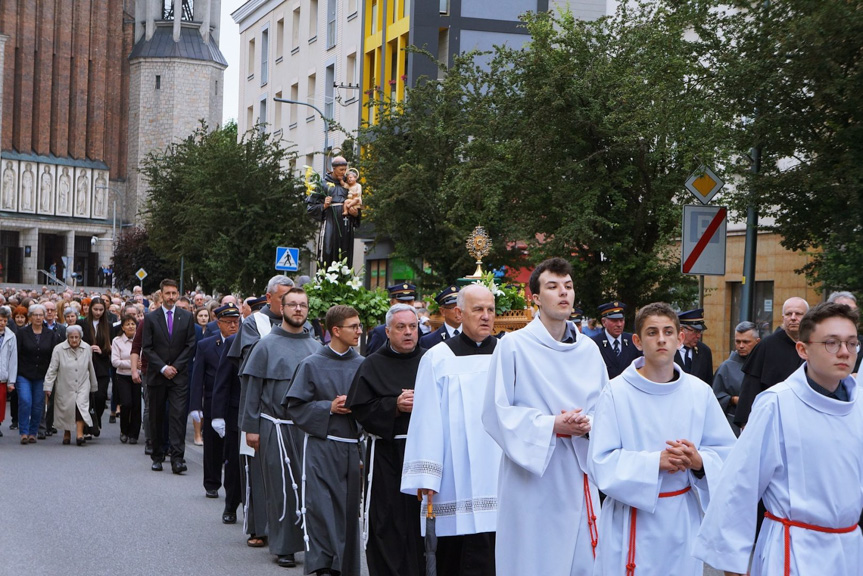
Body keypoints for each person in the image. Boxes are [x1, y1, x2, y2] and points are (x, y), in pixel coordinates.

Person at [694, 302, 862, 576]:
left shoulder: (859, 406)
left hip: (849, 551)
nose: (844, 352)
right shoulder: (777, 404)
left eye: (852, 343)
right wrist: (732, 563)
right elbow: (740, 484)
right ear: (802, 349)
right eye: (831, 343)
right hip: (794, 550)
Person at [588, 302, 736, 576]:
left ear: (680, 339)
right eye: (652, 332)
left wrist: (699, 461)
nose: (661, 339)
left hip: (682, 517)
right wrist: (655, 461)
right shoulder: (616, 392)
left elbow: (729, 455)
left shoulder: (699, 392)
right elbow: (600, 462)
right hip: (632, 520)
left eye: (668, 332)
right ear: (637, 341)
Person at [483, 258, 608, 576]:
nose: (563, 293)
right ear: (536, 298)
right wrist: (552, 425)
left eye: (568, 286)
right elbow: (496, 413)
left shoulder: (589, 350)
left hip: (577, 470)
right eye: (553, 287)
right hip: (532, 476)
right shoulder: (513, 346)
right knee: (533, 558)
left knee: (582, 559)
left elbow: (607, 410)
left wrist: (587, 425)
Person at [401, 284, 502, 576]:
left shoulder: (507, 354)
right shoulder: (438, 358)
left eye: (490, 310)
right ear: (459, 313)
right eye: (478, 310)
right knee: (456, 552)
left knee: (498, 547)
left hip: (500, 471)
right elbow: (426, 419)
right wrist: (426, 474)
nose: (485, 316)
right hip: (455, 475)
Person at [241, 289, 320, 568]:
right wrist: (251, 428)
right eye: (292, 305)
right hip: (274, 426)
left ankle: (313, 545)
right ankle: (284, 546)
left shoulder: (316, 347)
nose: (298, 309)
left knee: (310, 487)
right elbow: (252, 391)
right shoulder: (266, 345)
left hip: (308, 429)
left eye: (303, 305)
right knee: (281, 486)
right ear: (281, 308)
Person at [284, 305, 365, 576]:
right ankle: (324, 566)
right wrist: (328, 408)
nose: (359, 331)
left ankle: (345, 566)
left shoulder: (363, 364)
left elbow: (373, 406)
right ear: (336, 331)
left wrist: (360, 409)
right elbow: (295, 407)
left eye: (359, 325)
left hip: (353, 448)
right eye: (353, 326)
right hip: (322, 447)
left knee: (348, 511)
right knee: (321, 509)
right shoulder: (311, 364)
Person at [347, 304, 426, 576]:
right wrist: (394, 406)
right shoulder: (373, 364)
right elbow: (360, 408)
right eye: (401, 327)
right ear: (388, 331)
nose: (408, 333)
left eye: (413, 327)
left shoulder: (432, 360)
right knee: (387, 522)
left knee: (422, 522)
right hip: (387, 455)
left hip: (424, 453)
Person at [227, 274, 296, 547]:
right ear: (269, 298)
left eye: (294, 300)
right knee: (258, 469)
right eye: (284, 300)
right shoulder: (255, 323)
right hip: (263, 408)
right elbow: (250, 366)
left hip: (293, 411)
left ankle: (290, 527)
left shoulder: (301, 325)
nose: (291, 306)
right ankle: (259, 526)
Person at [141, 279, 197, 474]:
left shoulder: (187, 317)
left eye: (174, 293)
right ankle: (157, 455)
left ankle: (177, 458)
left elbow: (190, 345)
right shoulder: (151, 318)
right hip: (157, 376)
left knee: (178, 417)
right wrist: (163, 367)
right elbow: (146, 347)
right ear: (161, 295)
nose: (171, 297)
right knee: (157, 416)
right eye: (168, 294)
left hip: (179, 377)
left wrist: (176, 367)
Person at [189, 304, 241, 501]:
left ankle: (232, 486)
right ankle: (211, 483)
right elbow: (198, 376)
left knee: (231, 448)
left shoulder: (243, 343)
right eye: (228, 323)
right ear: (218, 324)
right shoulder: (206, 345)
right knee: (212, 445)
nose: (233, 326)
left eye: (236, 322)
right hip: (212, 401)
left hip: (234, 403)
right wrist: (195, 405)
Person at [734, 296, 809, 428]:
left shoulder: (815, 345)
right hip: (773, 421)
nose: (793, 317)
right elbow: (750, 387)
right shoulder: (766, 346)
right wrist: (746, 422)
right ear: (782, 318)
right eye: (788, 314)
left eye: (798, 314)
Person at [44, 325, 98, 445]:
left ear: (80, 337)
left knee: (80, 407)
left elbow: (90, 367)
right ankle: (67, 433)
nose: (74, 340)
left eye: (76, 337)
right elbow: (52, 368)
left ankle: (79, 435)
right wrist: (48, 386)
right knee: (67, 409)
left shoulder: (87, 348)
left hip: (83, 383)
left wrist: (93, 385)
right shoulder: (59, 349)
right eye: (71, 337)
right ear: (67, 337)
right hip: (65, 383)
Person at [210, 333, 243, 525]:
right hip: (236, 411)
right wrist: (218, 415)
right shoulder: (233, 341)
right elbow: (222, 380)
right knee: (235, 464)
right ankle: (231, 505)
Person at [15, 304, 60, 443]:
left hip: (42, 375)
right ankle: (23, 431)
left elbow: (54, 357)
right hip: (24, 373)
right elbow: (16, 354)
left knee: (38, 405)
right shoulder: (22, 333)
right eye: (35, 315)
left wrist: (52, 378)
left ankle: (33, 432)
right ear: (30, 317)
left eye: (41, 315)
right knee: (25, 400)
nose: (38, 318)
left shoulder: (50, 334)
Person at [306, 156, 361, 268]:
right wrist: (324, 205)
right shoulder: (322, 184)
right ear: (333, 168)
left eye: (345, 169)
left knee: (345, 254)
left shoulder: (349, 185)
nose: (344, 172)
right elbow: (310, 208)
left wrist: (355, 214)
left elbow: (358, 206)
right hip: (330, 223)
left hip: (346, 225)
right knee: (327, 251)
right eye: (341, 169)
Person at [712, 321, 761, 436]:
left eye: (746, 342)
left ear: (757, 342)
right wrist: (732, 399)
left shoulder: (765, 364)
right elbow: (713, 399)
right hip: (732, 426)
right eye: (738, 341)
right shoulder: (726, 367)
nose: (741, 346)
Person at [78, 297, 115, 432]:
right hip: (85, 365)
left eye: (101, 310)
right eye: (95, 309)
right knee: (85, 398)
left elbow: (112, 347)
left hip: (102, 366)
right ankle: (87, 426)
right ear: (90, 309)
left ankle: (96, 419)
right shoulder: (82, 323)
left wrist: (103, 350)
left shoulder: (108, 326)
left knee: (100, 397)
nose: (98, 312)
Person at [591, 301, 642, 379]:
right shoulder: (594, 343)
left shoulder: (633, 340)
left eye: (621, 320)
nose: (619, 324)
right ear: (604, 322)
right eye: (614, 321)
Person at [111, 315, 141, 444]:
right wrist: (133, 363)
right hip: (122, 376)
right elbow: (115, 361)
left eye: (133, 324)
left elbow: (143, 359)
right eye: (128, 324)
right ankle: (124, 430)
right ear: (122, 327)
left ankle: (134, 434)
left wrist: (136, 365)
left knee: (136, 405)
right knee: (126, 403)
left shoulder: (141, 340)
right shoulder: (117, 341)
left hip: (138, 376)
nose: (130, 326)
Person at [367, 283, 417, 355]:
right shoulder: (380, 333)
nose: (406, 305)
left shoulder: (418, 330)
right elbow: (373, 361)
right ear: (392, 303)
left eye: (409, 301)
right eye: (401, 302)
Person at [673, 308, 715, 384]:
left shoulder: (704, 351)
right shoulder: (669, 349)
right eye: (695, 331)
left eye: (700, 332)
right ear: (681, 330)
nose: (698, 336)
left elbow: (708, 383)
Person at [419, 285, 461, 349]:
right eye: (453, 308)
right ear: (442, 311)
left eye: (461, 306)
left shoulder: (475, 336)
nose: (459, 311)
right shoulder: (429, 340)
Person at [0, 306, 18, 438]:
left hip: (3, 376)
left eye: (4, 320)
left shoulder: (11, 336)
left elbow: (13, 360)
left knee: (1, 402)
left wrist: (11, 380)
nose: (2, 323)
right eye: (0, 320)